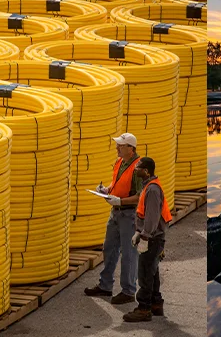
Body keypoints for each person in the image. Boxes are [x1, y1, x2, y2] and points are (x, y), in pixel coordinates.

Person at [84, 133, 143, 305]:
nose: (117, 147)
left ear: (130, 149)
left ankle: (128, 291)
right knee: (109, 249)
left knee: (129, 254)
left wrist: (121, 201)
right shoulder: (120, 162)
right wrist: (106, 189)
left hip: (129, 215)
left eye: (121, 145)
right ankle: (105, 286)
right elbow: (116, 184)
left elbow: (140, 197)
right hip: (116, 213)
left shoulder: (138, 168)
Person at [123, 157, 172, 322]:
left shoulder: (152, 190)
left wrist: (143, 236)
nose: (135, 169)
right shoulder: (149, 187)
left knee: (144, 273)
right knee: (153, 271)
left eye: (138, 167)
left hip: (152, 238)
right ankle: (156, 304)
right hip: (155, 237)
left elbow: (151, 218)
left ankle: (143, 308)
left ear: (146, 171)